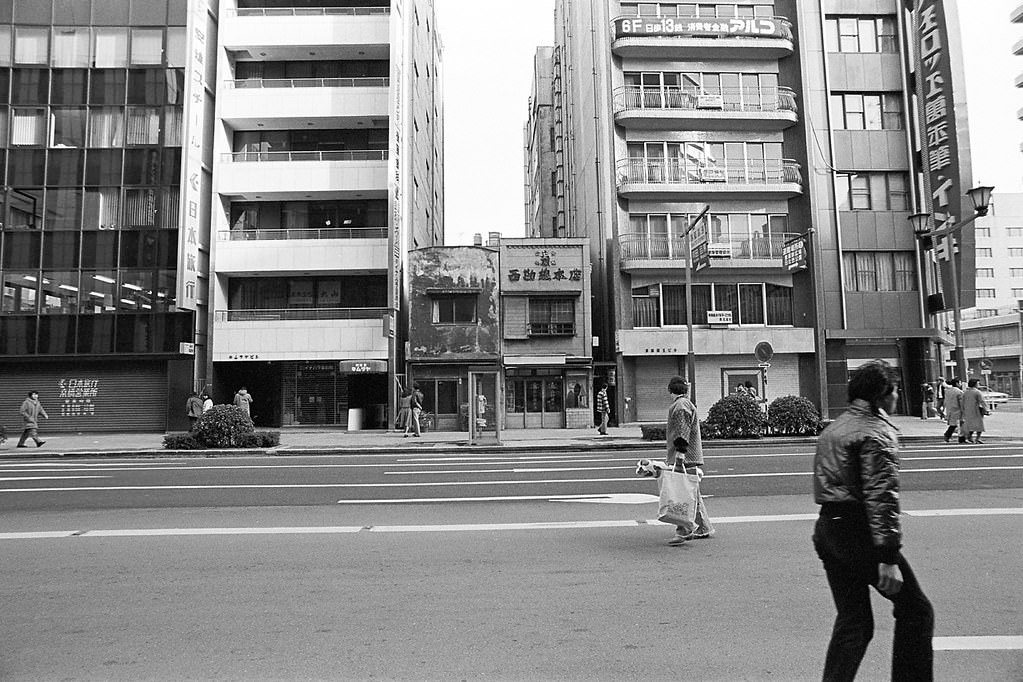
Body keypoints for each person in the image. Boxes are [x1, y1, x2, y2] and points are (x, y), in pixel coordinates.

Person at [813, 360, 934, 681]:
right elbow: (881, 499)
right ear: (882, 395)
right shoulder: (876, 433)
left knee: (854, 623)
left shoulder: (834, 428)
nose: (896, 398)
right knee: (917, 612)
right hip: (859, 530)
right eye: (894, 391)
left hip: (828, 528)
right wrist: (888, 557)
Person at [664, 376, 715, 546]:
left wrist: (680, 453)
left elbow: (681, 430)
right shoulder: (685, 403)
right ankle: (703, 527)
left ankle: (684, 529)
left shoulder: (679, 406)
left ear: (670, 390)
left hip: (685, 456)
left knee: (683, 493)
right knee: (692, 493)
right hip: (690, 456)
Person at [961, 378, 989, 444]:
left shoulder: (965, 392)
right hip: (976, 410)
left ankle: (969, 437)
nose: (978, 384)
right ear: (975, 384)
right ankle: (977, 438)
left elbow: (962, 402)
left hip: (967, 411)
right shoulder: (977, 392)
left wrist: (963, 410)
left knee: (970, 425)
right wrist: (987, 409)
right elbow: (982, 401)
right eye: (978, 383)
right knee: (979, 425)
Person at [942, 378, 965, 444]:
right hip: (957, 410)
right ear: (957, 383)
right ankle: (961, 439)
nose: (960, 384)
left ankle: (947, 435)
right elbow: (961, 403)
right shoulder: (959, 392)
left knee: (953, 425)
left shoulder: (947, 391)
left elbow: (945, 401)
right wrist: (963, 411)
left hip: (950, 410)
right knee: (960, 425)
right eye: (960, 383)